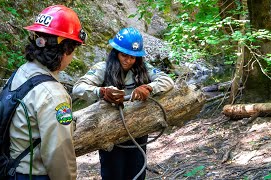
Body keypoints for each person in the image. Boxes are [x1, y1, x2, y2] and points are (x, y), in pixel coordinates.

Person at [72, 27, 174, 180]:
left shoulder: (144, 68)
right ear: (116, 53)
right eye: (124, 55)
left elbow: (167, 80)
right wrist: (101, 92)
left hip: (138, 130)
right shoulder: (102, 68)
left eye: (133, 57)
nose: (128, 60)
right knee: (113, 174)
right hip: (109, 133)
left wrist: (149, 87)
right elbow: (78, 88)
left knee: (137, 173)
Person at [9, 5, 86, 180]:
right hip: (34, 174)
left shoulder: (22, 72)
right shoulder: (54, 95)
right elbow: (59, 156)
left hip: (12, 169)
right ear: (67, 48)